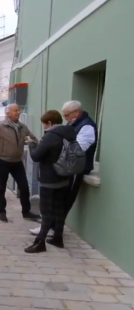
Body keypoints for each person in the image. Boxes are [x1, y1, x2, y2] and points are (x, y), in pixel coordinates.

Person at [29, 100, 98, 236]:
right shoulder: (72, 126)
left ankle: (48, 232)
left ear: (77, 112)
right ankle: (54, 231)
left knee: (57, 203)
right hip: (64, 169)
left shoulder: (86, 126)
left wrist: (50, 147)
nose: (66, 119)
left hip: (71, 170)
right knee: (59, 203)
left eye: (67, 115)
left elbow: (76, 150)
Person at [24, 110, 77, 253]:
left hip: (50, 178)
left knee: (46, 211)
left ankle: (40, 242)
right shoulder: (70, 133)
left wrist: (31, 144)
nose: (44, 127)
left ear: (49, 123)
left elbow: (36, 156)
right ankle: (58, 237)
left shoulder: (50, 136)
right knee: (59, 208)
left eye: (44, 125)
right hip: (64, 177)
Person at [0, 104, 40, 223]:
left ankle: (26, 211)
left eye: (19, 110)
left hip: (17, 162)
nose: (18, 112)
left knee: (24, 187)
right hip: (2, 161)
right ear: (8, 113)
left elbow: (33, 138)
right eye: (15, 111)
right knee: (0, 188)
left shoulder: (22, 127)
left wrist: (31, 142)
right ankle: (2, 212)